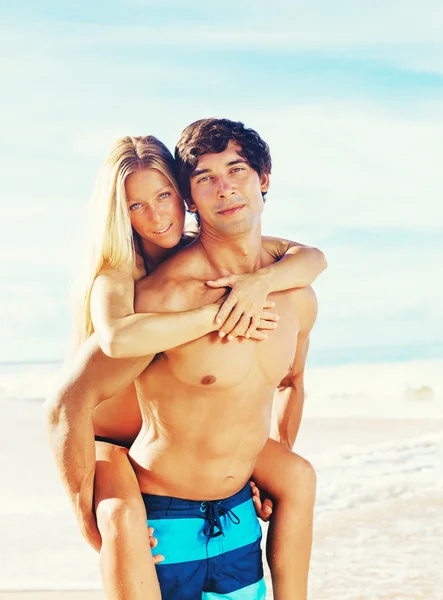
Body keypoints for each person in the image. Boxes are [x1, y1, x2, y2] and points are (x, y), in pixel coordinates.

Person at [46, 122, 323, 600]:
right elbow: (68, 402)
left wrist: (269, 464)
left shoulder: (292, 292)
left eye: (237, 170)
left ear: (264, 178)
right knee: (118, 512)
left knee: (298, 474)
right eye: (205, 178)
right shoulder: (149, 294)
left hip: (236, 518)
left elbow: (291, 380)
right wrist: (89, 519)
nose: (225, 188)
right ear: (193, 197)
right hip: (157, 512)